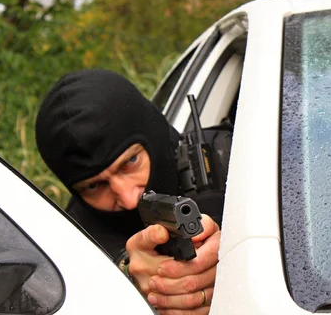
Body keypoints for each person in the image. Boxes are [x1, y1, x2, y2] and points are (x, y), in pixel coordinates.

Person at [35, 68, 221, 314]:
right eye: (93, 186)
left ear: (153, 135)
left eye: (130, 162)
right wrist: (127, 280)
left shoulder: (238, 162)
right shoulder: (74, 243)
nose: (128, 198)